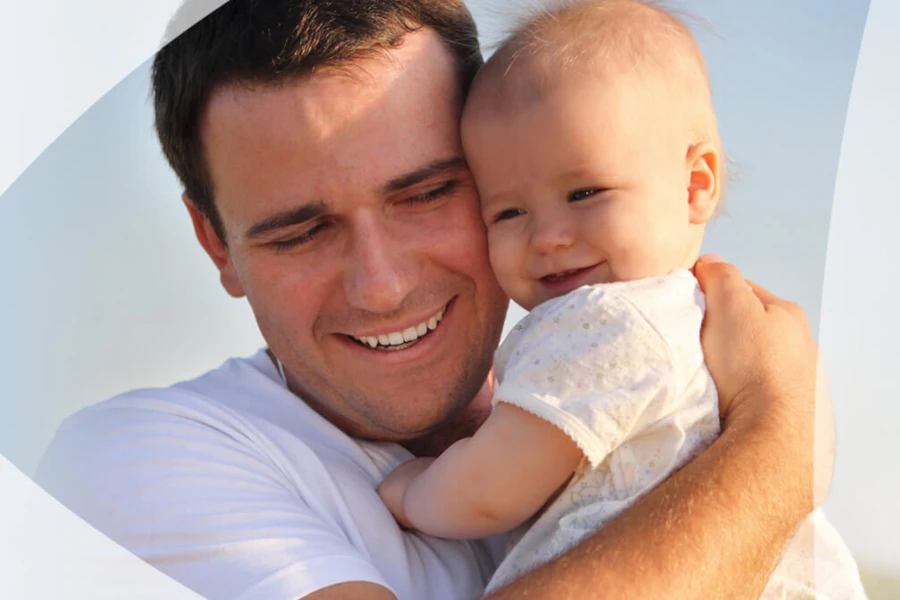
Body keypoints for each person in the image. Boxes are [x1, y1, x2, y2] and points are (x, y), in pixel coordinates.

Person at [35, 1, 835, 599]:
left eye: (425, 194)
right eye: (301, 233)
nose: (381, 285)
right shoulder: (129, 465)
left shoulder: (597, 397)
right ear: (216, 244)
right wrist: (776, 436)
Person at [376, 2, 864, 597]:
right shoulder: (697, 321)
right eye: (509, 211)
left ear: (695, 184)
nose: (548, 235)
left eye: (585, 192)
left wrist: (411, 490)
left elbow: (489, 489)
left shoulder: (606, 322)